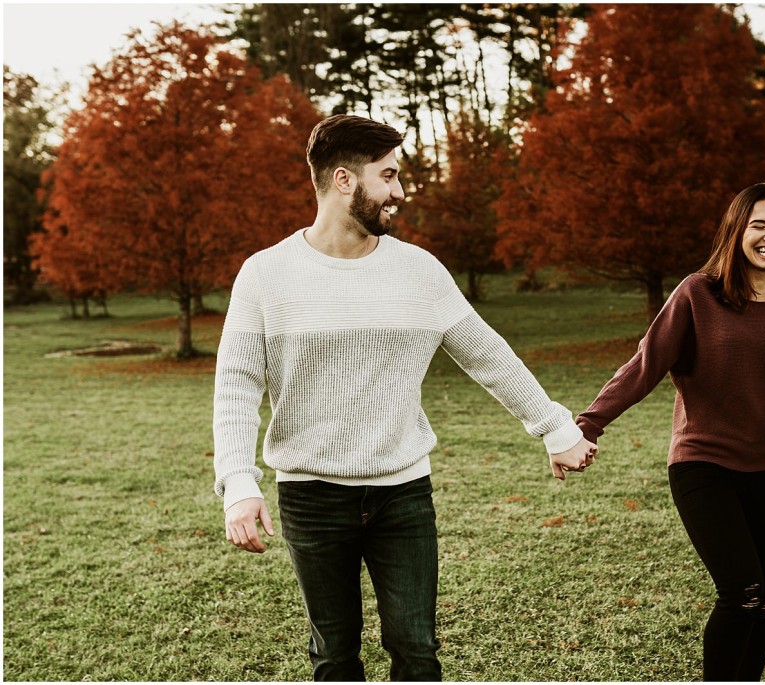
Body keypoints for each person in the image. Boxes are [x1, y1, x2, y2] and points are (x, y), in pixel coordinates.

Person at [212, 114, 597, 681]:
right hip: (311, 498)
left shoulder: (419, 271)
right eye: (388, 176)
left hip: (402, 495)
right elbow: (237, 385)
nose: (399, 191)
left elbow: (486, 354)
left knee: (416, 650)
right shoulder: (265, 275)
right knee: (334, 654)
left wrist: (555, 428)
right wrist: (239, 486)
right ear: (344, 181)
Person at [575, 183, 765, 682]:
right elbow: (644, 365)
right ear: (737, 232)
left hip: (764, 467)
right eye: (758, 225)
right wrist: (590, 423)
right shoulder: (699, 294)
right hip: (702, 464)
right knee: (743, 592)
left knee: (764, 600)